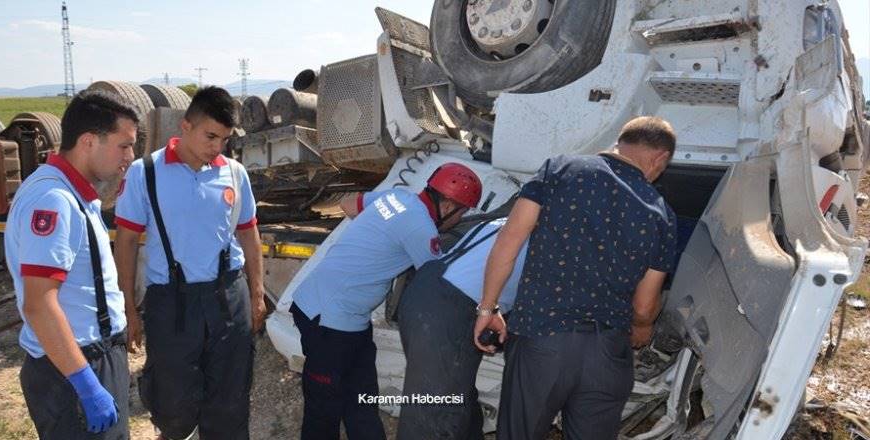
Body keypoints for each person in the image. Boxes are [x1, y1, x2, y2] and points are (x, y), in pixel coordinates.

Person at [475, 116, 679, 440]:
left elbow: (509, 241)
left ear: (621, 142)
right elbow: (644, 306)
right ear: (660, 159)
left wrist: (488, 309)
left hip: (543, 338)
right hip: (608, 353)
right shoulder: (662, 214)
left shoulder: (561, 169)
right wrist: (642, 328)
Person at [114, 86, 265, 440]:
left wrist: (256, 292)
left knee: (230, 398)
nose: (217, 147)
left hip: (228, 296)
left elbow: (249, 233)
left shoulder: (234, 173)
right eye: (211, 136)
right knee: (173, 403)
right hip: (171, 301)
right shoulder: (145, 173)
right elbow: (125, 243)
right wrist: (129, 308)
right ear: (186, 125)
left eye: (225, 139)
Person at [290, 162, 482, 440]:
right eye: (463, 212)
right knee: (324, 409)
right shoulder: (421, 228)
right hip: (328, 319)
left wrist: (376, 241)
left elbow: (348, 205)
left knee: (362, 401)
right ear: (450, 205)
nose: (459, 218)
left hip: (340, 315)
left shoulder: (396, 196)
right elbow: (440, 285)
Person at [5, 89, 138, 438]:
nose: (130, 156)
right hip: (73, 368)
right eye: (123, 146)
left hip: (86, 359)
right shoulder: (54, 200)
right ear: (89, 141)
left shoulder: (72, 194)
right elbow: (39, 304)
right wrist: (86, 384)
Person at [396, 217, 528, 440]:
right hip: (452, 304)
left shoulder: (505, 220)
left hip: (429, 287)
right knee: (437, 410)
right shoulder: (546, 234)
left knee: (454, 394)